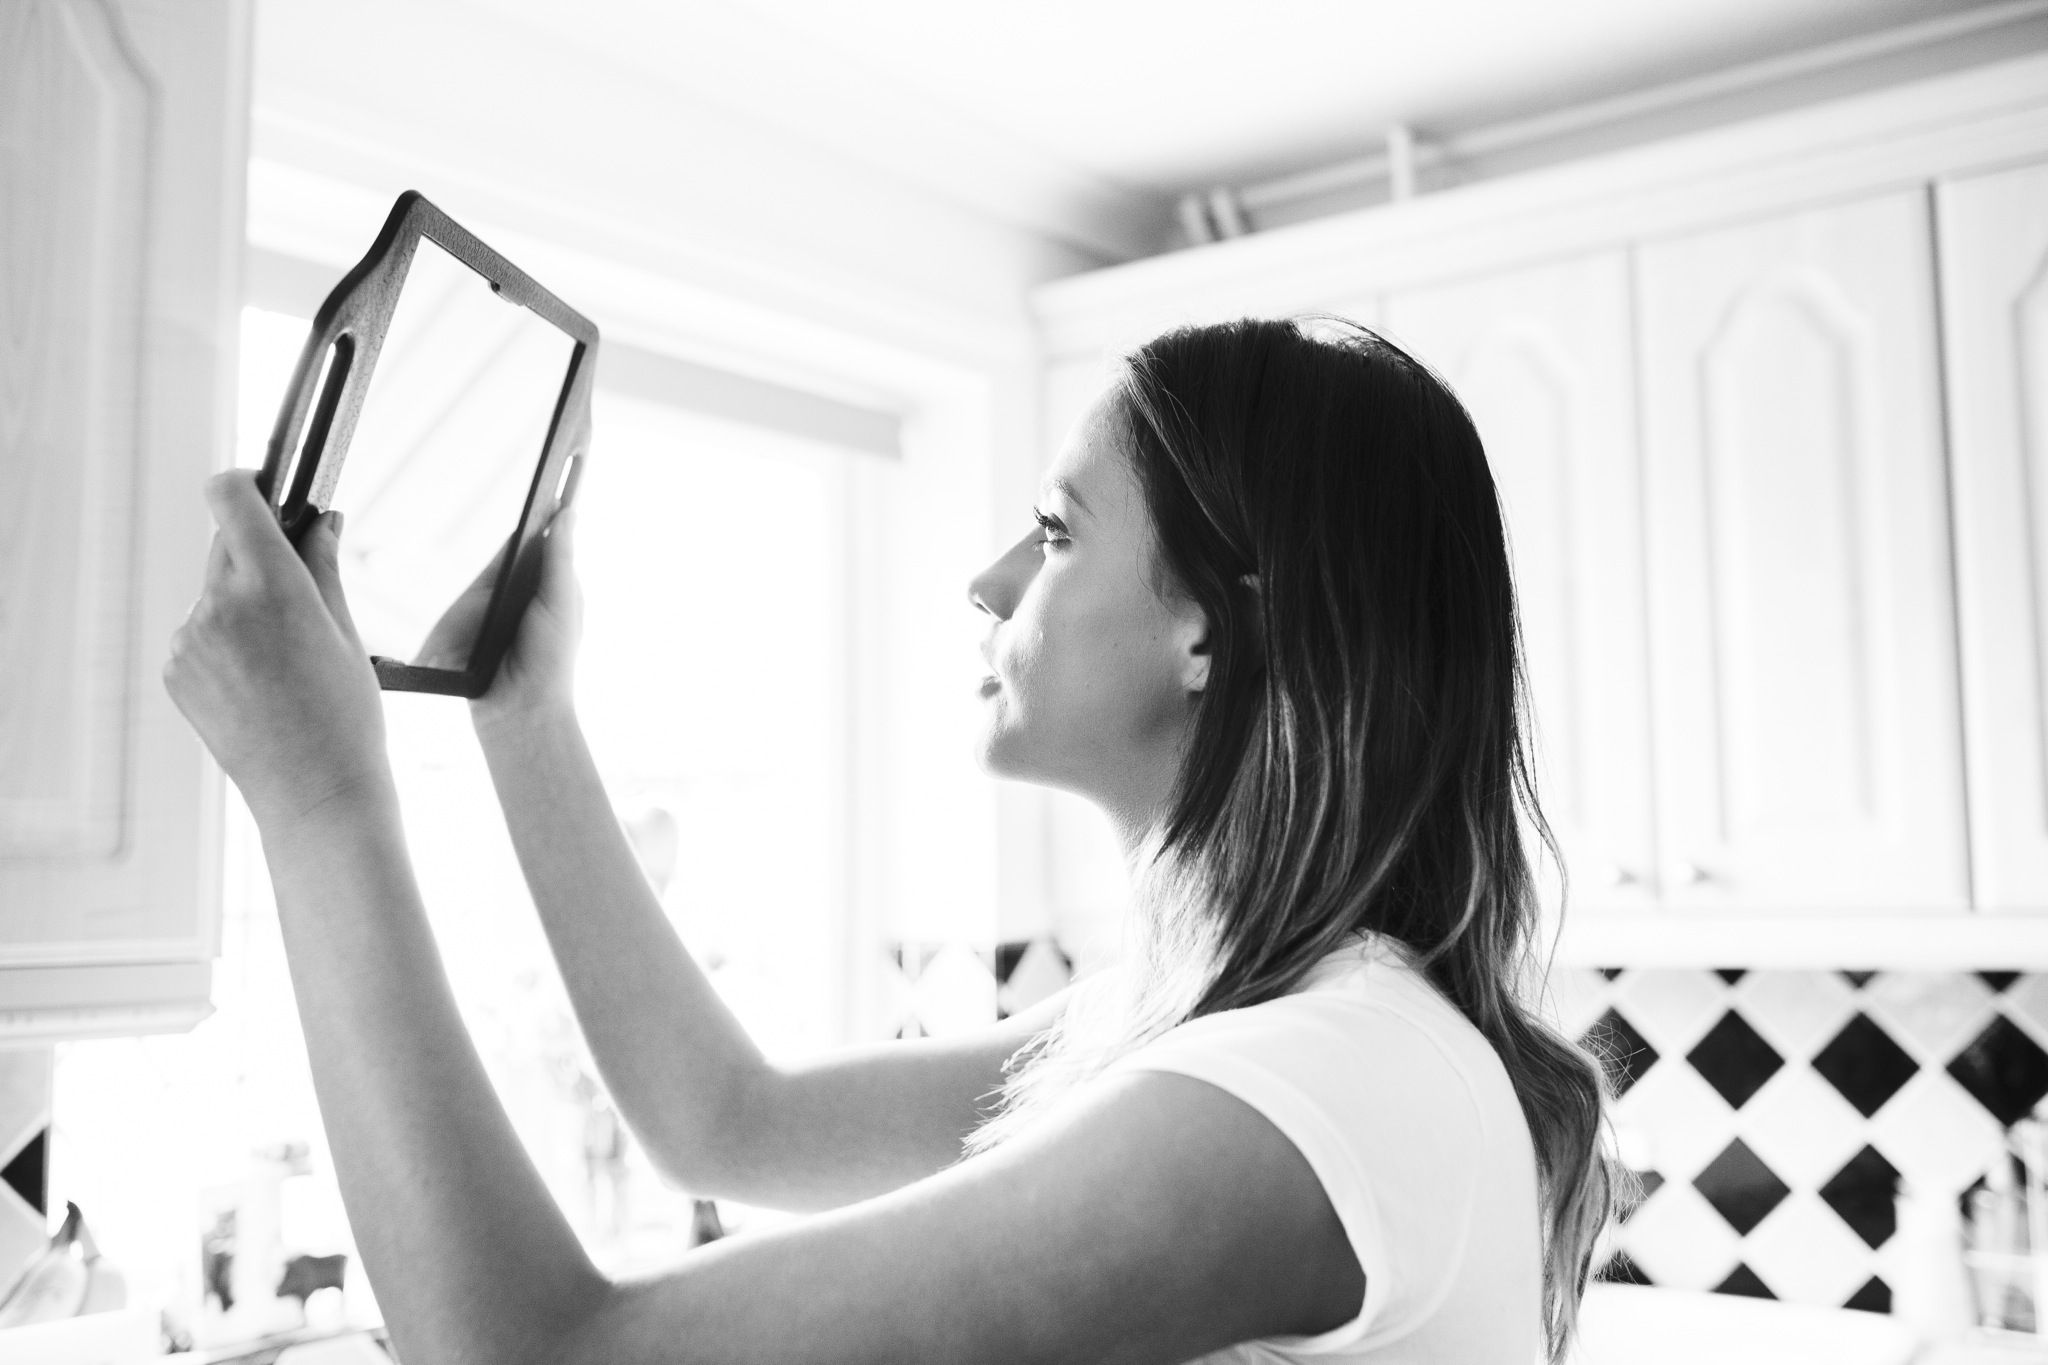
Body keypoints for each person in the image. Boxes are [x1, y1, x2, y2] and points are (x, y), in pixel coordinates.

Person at [164, 316, 1621, 1364]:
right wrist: (524, 717)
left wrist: (319, 801)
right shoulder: (1216, 1025)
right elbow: (728, 1119)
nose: (987, 584)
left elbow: (539, 1355)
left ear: (1205, 628)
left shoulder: (1315, 1087)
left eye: (1053, 531)